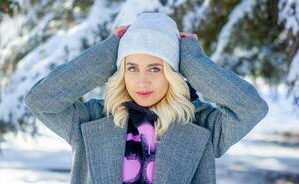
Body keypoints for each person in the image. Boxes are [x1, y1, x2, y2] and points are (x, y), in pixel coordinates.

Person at [24, 12, 269, 184]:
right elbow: (41, 100)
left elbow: (251, 108)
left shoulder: (202, 125)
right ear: (120, 71)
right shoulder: (91, 120)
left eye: (155, 68)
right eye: (132, 68)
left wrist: (193, 62)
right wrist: (109, 52)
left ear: (173, 73)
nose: (142, 82)